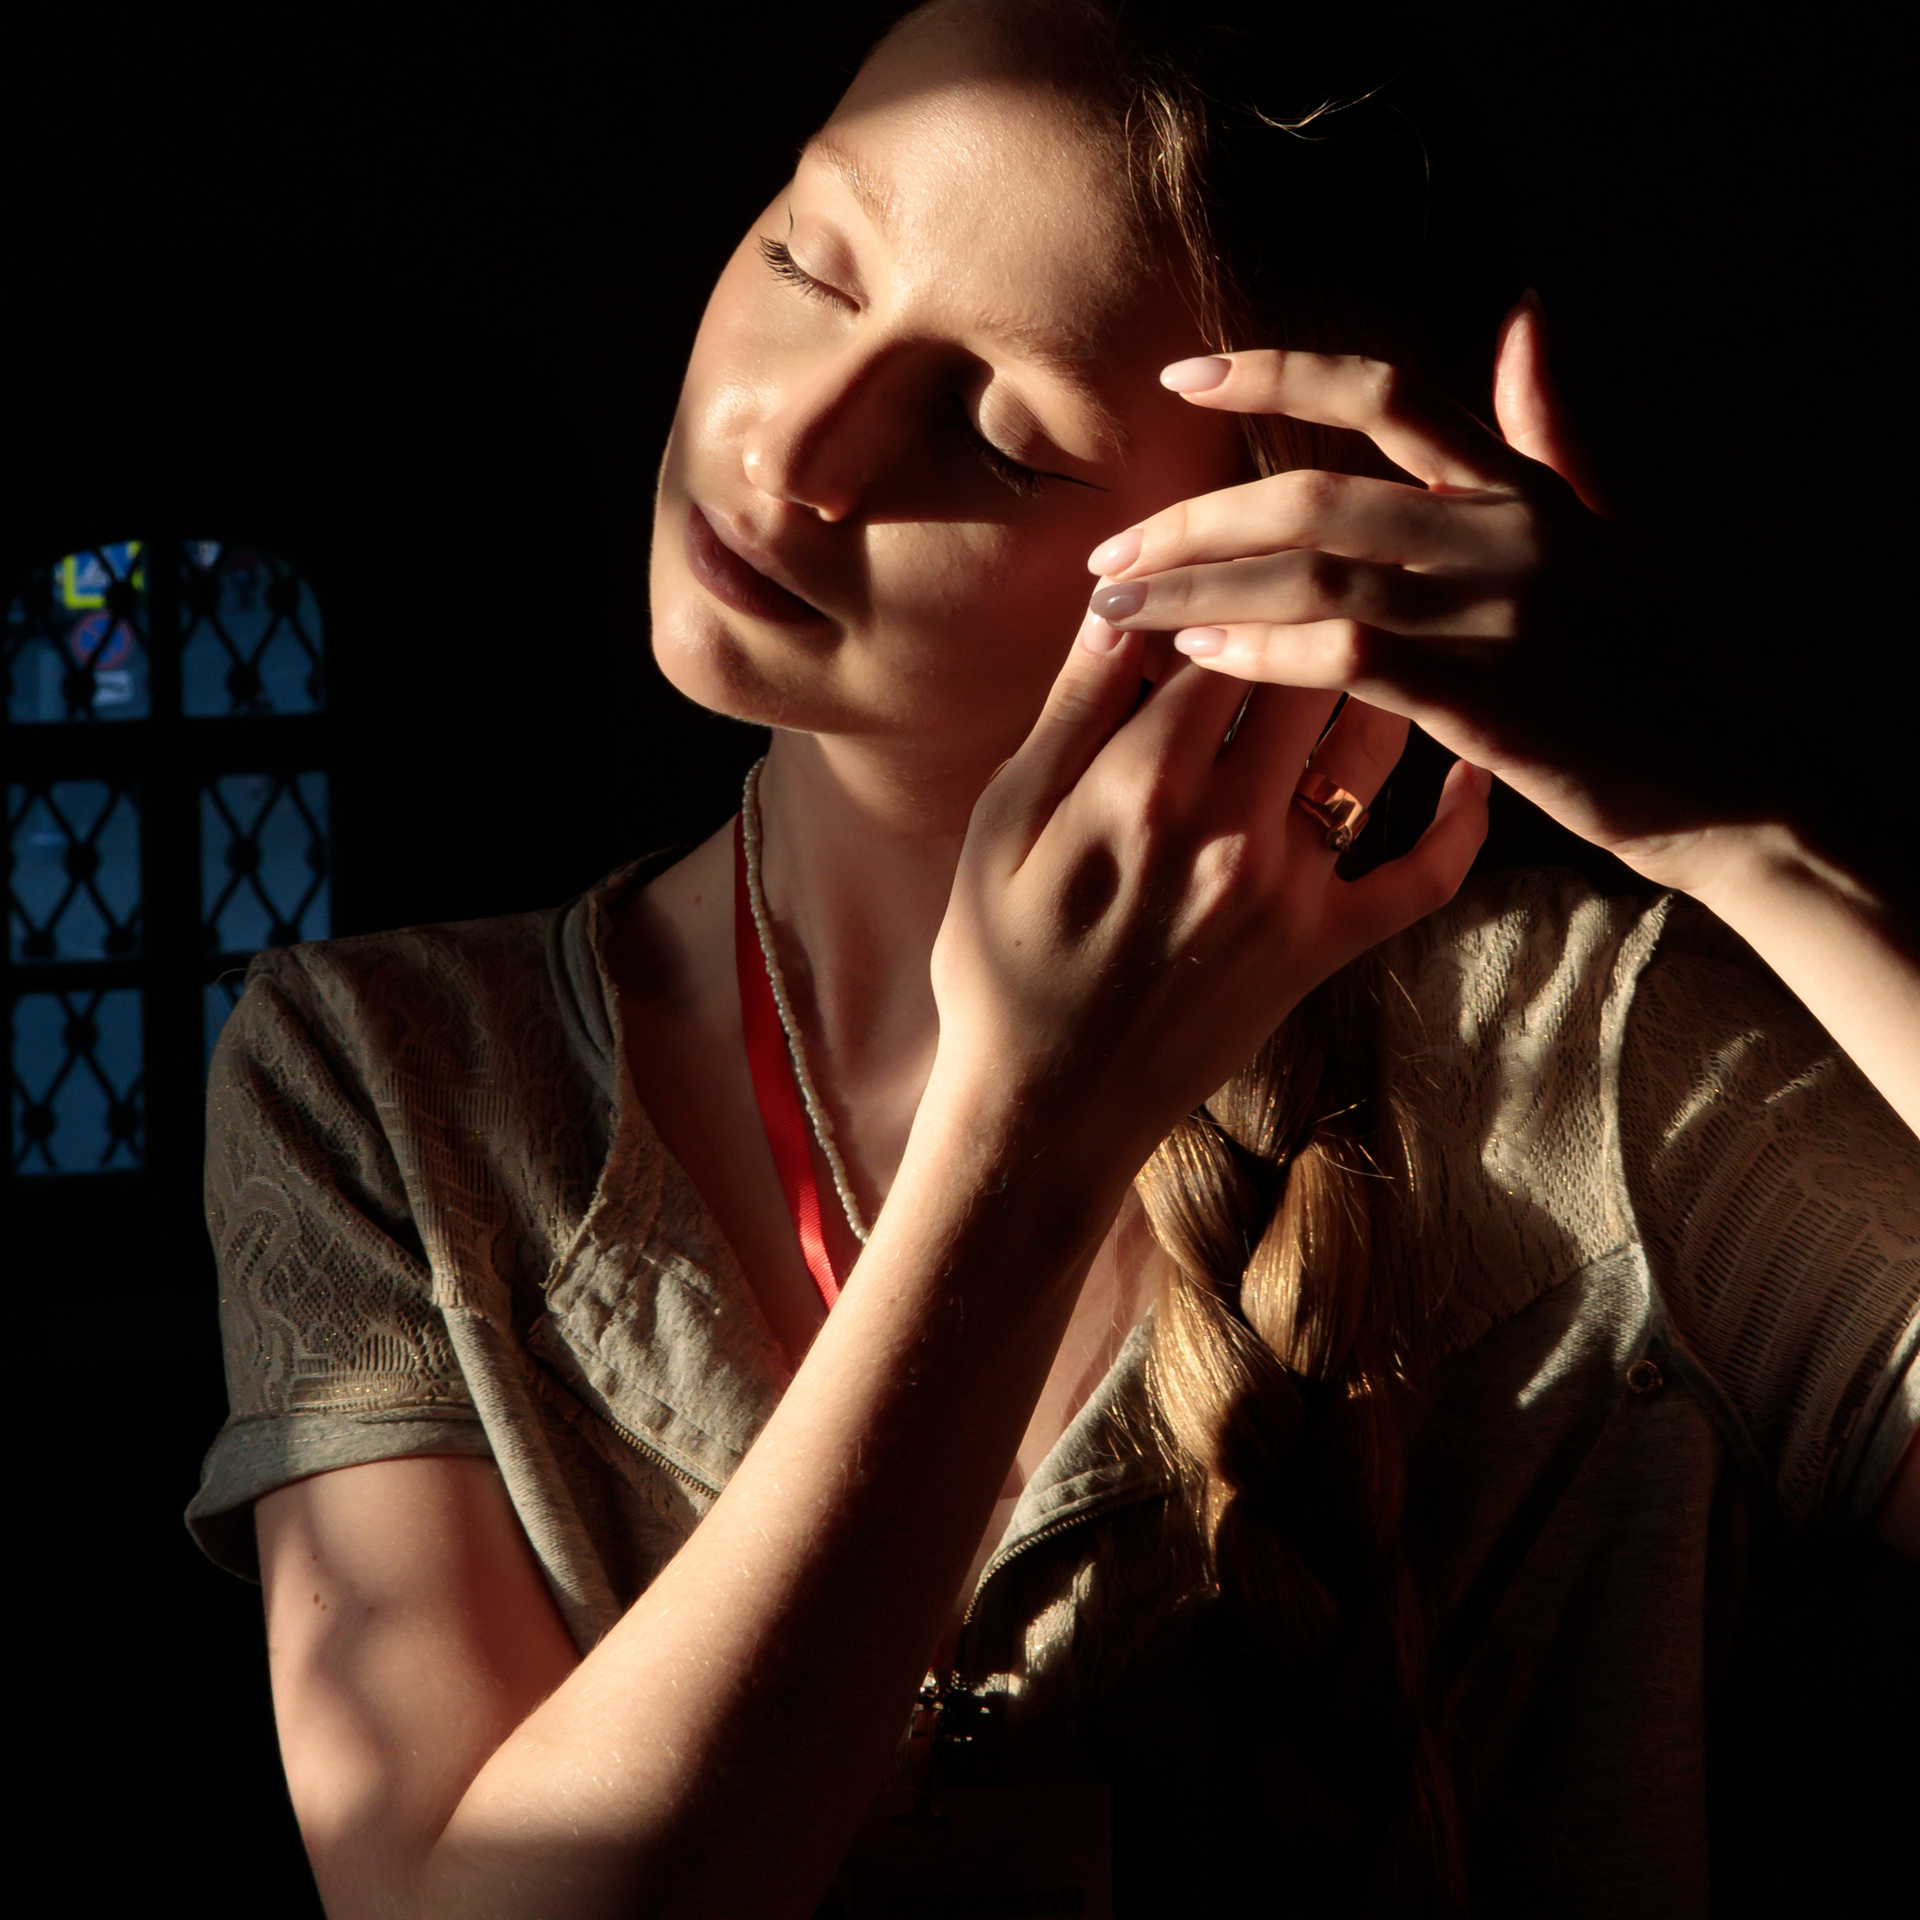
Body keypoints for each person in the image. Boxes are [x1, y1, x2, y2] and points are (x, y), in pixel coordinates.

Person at [184, 3, 1919, 1915]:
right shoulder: (387, 1083)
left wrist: (1736, 833)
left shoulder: (1588, 1064)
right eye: (806, 260)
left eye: (1004, 439)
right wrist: (1018, 1139)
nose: (793, 441)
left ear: (1287, 540)